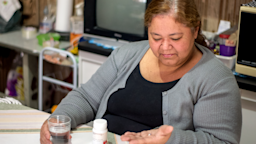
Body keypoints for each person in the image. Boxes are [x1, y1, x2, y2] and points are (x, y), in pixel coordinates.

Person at [40, 0, 242, 143]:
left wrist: (169, 140)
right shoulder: (127, 54)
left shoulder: (215, 79)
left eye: (175, 38)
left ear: (195, 29)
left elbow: (220, 141)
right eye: (156, 37)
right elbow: (86, 97)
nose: (164, 47)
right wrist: (59, 119)